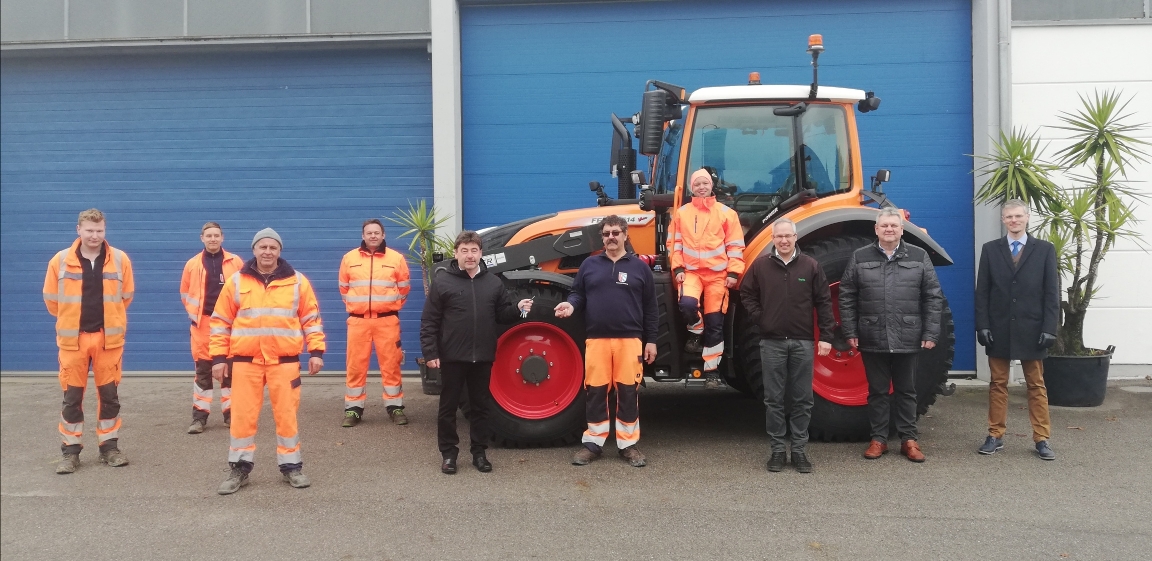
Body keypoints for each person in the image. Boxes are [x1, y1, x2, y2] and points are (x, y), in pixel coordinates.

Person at [211, 228, 326, 494]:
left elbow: (311, 318)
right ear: (253, 250)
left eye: (272, 248)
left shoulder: (298, 282)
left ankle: (292, 467)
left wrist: (316, 351)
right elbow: (220, 322)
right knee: (242, 417)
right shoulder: (237, 281)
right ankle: (239, 469)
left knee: (287, 416)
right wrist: (218, 358)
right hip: (245, 362)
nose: (267, 252)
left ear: (279, 251)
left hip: (284, 362)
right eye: (262, 247)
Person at [420, 231, 533, 475]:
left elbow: (502, 315)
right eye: (464, 251)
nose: (469, 256)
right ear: (456, 253)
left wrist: (518, 309)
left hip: (482, 356)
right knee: (447, 408)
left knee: (481, 407)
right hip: (451, 357)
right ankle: (449, 455)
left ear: (481, 254)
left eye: (474, 251)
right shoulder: (443, 283)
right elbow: (429, 322)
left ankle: (479, 454)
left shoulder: (492, 283)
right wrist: (431, 353)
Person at [839, 207, 944, 463]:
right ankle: (879, 439)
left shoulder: (919, 256)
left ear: (901, 229)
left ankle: (909, 439)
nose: (889, 229)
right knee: (877, 391)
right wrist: (850, 331)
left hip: (908, 333)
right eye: (884, 225)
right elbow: (847, 295)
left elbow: (932, 296)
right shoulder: (860, 256)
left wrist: (930, 331)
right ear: (876, 229)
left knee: (907, 390)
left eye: (893, 226)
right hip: (872, 333)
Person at [557, 215, 658, 468]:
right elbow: (577, 294)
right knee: (595, 392)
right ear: (602, 238)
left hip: (630, 341)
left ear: (625, 235)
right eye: (606, 233)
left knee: (627, 392)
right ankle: (593, 443)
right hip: (597, 340)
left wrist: (651, 340)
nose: (611, 237)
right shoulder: (589, 265)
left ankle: (627, 445)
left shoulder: (640, 268)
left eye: (615, 232)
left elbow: (651, 308)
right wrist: (570, 305)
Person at [739, 218, 835, 473]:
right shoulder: (760, 266)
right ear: (773, 239)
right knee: (774, 399)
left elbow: (824, 302)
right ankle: (778, 450)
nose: (783, 240)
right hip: (771, 343)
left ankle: (800, 451)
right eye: (779, 236)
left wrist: (826, 335)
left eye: (788, 236)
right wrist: (761, 318)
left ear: (795, 238)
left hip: (802, 343)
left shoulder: (810, 266)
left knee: (803, 399)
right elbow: (746, 293)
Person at [44, 208, 135, 474]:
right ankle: (70, 453)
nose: (94, 235)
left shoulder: (120, 259)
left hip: (109, 340)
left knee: (110, 397)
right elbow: (52, 301)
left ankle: (109, 448)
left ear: (104, 231)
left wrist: (112, 320)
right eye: (89, 230)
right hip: (74, 342)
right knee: (72, 398)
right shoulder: (60, 261)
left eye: (99, 231)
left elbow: (126, 296)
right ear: (79, 230)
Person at [975, 199, 1059, 460]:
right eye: (1009, 217)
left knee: (1036, 384)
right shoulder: (990, 250)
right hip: (999, 328)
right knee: (997, 383)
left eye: (1018, 216)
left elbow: (1051, 293)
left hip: (1033, 329)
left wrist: (1049, 328)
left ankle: (1042, 438)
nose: (1014, 220)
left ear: (1027, 217)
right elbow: (983, 292)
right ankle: (995, 435)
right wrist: (983, 325)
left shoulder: (1045, 250)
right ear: (1003, 220)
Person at [668, 168, 746, 388]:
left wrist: (733, 273)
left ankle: (712, 372)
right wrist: (678, 268)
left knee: (715, 323)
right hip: (691, 273)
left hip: (718, 277)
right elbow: (675, 245)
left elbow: (735, 246)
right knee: (687, 304)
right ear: (692, 188)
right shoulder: (682, 213)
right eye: (697, 184)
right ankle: (696, 331)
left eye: (705, 183)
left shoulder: (727, 214)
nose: (701, 187)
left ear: (711, 186)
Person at [339, 219, 411, 428]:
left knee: (391, 365)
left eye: (376, 233)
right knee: (355, 366)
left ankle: (395, 407)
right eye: (369, 233)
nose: (373, 236)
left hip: (387, 321)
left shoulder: (396, 258)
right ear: (363, 236)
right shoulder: (349, 258)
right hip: (358, 322)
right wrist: (359, 307)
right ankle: (353, 409)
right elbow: (344, 288)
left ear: (383, 235)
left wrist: (388, 305)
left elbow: (404, 288)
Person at [180, 222, 243, 434]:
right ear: (202, 238)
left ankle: (231, 416)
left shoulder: (236, 262)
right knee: (203, 373)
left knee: (230, 373)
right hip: (202, 326)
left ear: (222, 237)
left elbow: (245, 290)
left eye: (216, 235)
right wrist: (195, 315)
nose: (213, 239)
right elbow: (185, 293)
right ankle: (199, 419)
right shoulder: (192, 264)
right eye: (209, 235)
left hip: (230, 325)